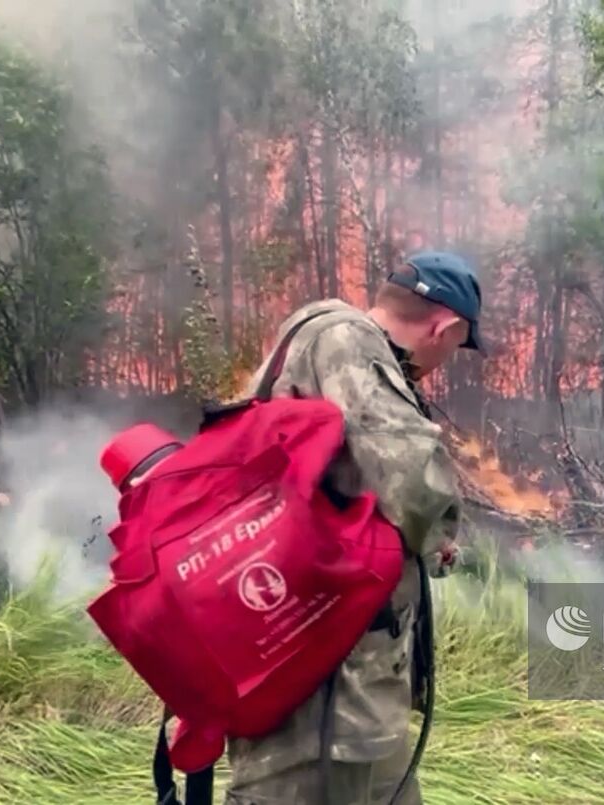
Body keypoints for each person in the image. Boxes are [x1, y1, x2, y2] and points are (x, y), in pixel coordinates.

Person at [223, 251, 482, 805]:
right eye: (455, 346)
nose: (443, 359)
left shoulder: (316, 335)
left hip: (349, 680)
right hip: (325, 687)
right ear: (447, 326)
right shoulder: (349, 342)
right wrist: (439, 536)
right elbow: (412, 479)